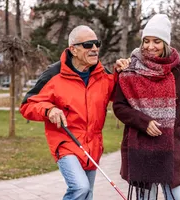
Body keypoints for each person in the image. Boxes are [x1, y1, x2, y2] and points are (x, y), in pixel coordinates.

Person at [20, 25, 126, 200]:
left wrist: (121, 73)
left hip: (93, 145)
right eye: (88, 45)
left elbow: (119, 96)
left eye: (97, 44)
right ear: (73, 50)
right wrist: (49, 110)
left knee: (87, 194)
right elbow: (27, 105)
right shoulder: (54, 74)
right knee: (80, 188)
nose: (94, 49)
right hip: (66, 142)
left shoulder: (102, 74)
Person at [112, 14, 180, 200]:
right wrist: (143, 122)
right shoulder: (131, 69)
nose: (150, 46)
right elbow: (119, 106)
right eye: (146, 41)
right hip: (141, 144)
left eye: (156, 41)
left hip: (172, 146)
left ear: (166, 44)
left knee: (177, 196)